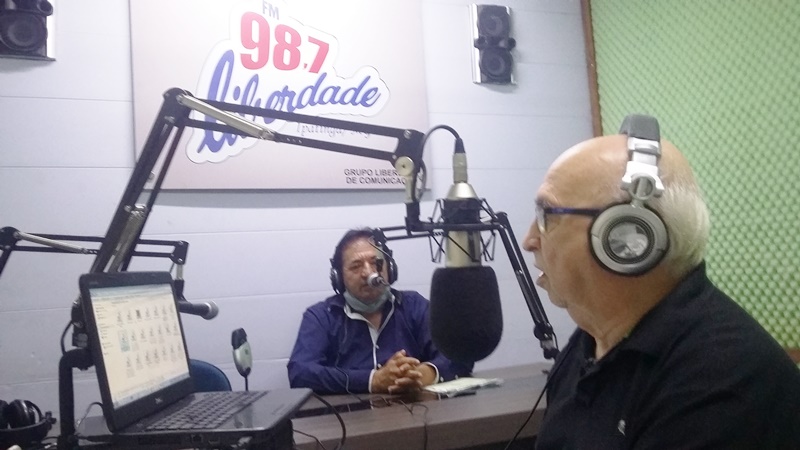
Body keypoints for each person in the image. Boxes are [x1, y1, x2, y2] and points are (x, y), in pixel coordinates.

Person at [523, 115, 800, 449]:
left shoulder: (719, 377)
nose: (529, 240)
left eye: (547, 216)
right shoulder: (589, 344)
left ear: (627, 237)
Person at [287, 228, 472, 394]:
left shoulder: (415, 306)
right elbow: (300, 373)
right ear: (338, 277)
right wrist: (373, 380)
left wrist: (423, 374)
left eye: (376, 263)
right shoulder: (321, 317)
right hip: (351, 417)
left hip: (416, 411)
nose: (369, 273)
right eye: (356, 266)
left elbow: (461, 354)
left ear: (390, 268)